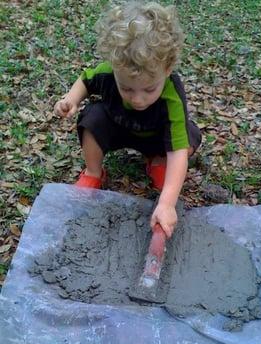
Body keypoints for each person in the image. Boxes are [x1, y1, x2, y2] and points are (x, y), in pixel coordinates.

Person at [54, 1, 201, 238]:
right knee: (92, 117)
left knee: (189, 138)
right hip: (118, 127)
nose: (139, 99)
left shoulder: (172, 95)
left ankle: (156, 161)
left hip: (156, 137)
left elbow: (177, 150)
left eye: (149, 89)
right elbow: (85, 80)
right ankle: (93, 173)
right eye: (127, 89)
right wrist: (71, 100)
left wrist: (166, 203)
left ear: (167, 69)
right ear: (114, 68)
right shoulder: (108, 72)